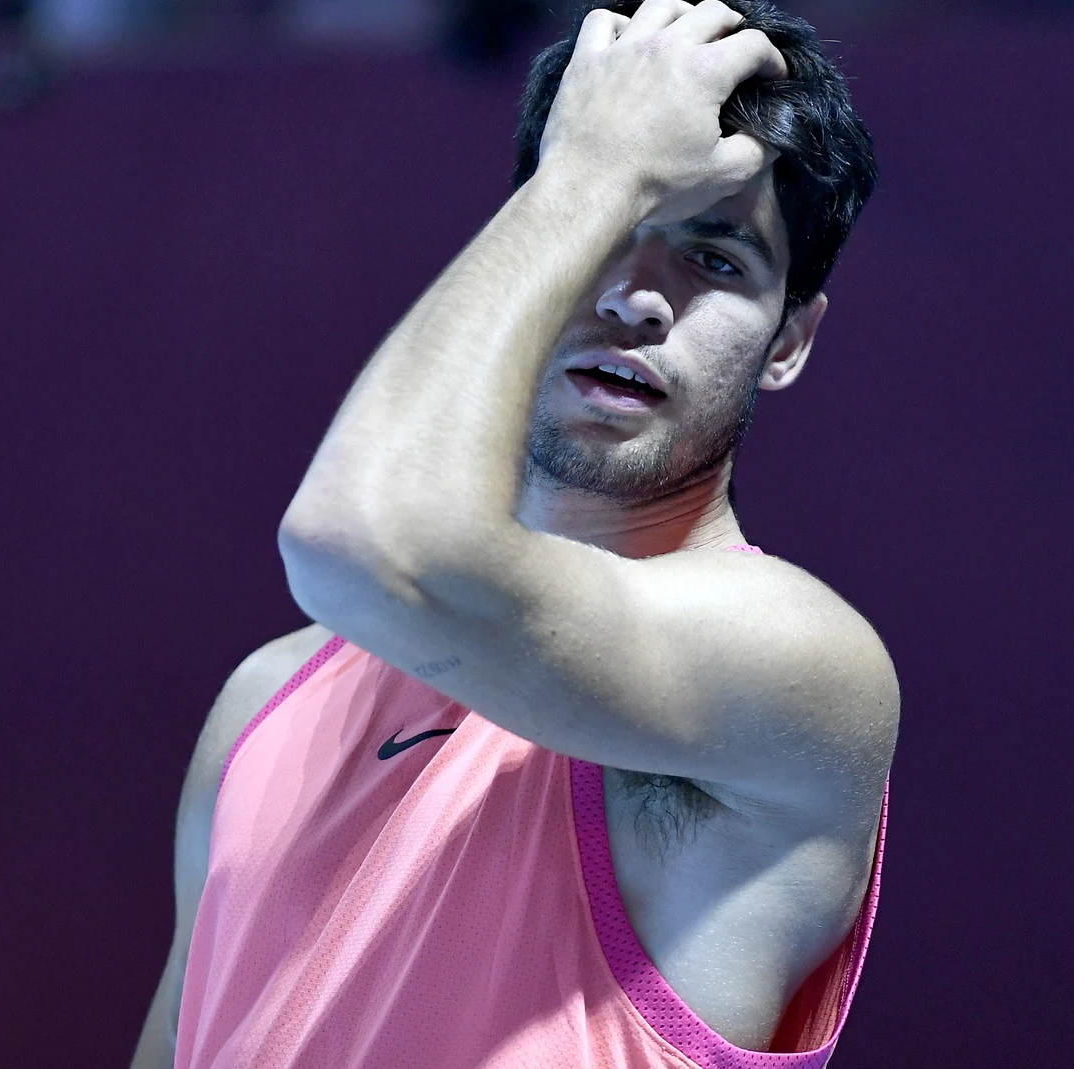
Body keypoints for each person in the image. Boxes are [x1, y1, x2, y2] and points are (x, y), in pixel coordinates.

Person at [132, 2, 895, 1065]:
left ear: (790, 340)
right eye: (608, 229)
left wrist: (590, 175)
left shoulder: (802, 668)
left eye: (714, 261)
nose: (637, 301)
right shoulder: (266, 701)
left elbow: (365, 541)